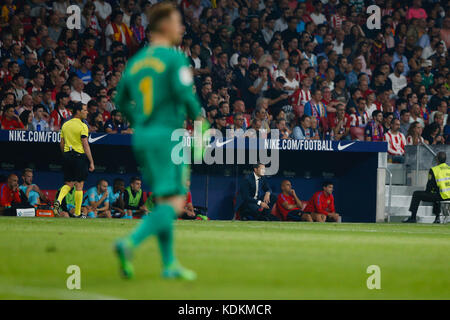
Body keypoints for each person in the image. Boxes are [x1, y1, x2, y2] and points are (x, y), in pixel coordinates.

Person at [113, 3, 205, 281]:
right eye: (178, 22)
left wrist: (140, 122)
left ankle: (169, 264)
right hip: (168, 136)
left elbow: (120, 101)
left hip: (143, 136)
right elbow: (187, 97)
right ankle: (129, 244)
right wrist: (199, 122)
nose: (182, 28)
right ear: (164, 25)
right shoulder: (175, 58)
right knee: (174, 204)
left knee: (165, 198)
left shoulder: (136, 61)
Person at [53, 102, 95, 218]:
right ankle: (77, 213)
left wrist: (66, 155)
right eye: (85, 110)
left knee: (68, 183)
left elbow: (61, 143)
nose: (87, 112)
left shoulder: (65, 125)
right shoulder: (83, 126)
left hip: (67, 155)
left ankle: (59, 200)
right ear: (78, 111)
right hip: (79, 156)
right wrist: (91, 161)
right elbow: (85, 145)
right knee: (79, 185)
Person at [404, 152, 450, 223]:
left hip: (441, 195)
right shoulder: (449, 169)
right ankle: (437, 218)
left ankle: (413, 217)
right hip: (448, 195)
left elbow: (430, 186)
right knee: (436, 193)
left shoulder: (434, 170)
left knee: (417, 194)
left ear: (437, 159)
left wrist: (429, 191)